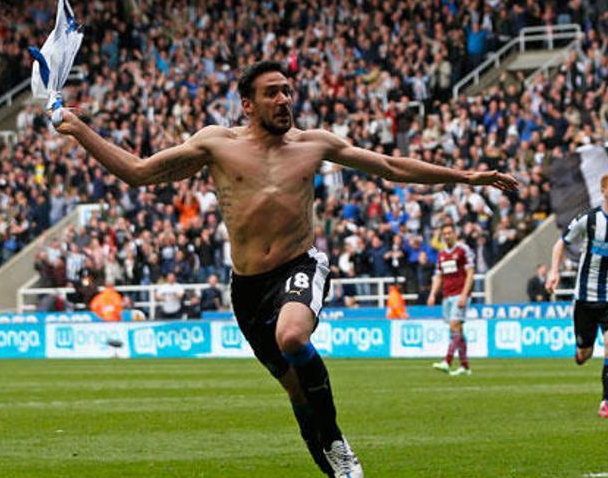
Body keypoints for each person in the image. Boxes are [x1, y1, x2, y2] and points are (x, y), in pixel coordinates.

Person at [55, 60, 517, 477]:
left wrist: (466, 176)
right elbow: (138, 172)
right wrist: (78, 129)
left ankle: (337, 444)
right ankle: (333, 461)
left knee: (293, 336)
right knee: (297, 394)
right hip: (248, 289)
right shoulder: (216, 144)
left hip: (300, 264)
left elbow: (389, 166)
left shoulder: (314, 145)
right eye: (272, 92)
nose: (284, 100)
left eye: (288, 91)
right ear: (247, 104)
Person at [546, 171, 608, 418]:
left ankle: (606, 402)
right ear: (604, 191)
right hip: (585, 297)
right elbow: (561, 243)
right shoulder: (588, 220)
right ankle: (581, 351)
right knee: (585, 354)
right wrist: (554, 271)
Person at [428, 222, 475, 376]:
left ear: (455, 234)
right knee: (457, 330)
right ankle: (465, 367)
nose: (447, 236)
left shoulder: (463, 250)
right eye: (445, 233)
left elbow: (470, 273)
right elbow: (438, 276)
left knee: (455, 325)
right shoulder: (441, 255)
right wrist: (433, 294)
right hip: (447, 295)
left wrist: (464, 294)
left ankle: (447, 361)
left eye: (450, 232)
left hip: (460, 294)